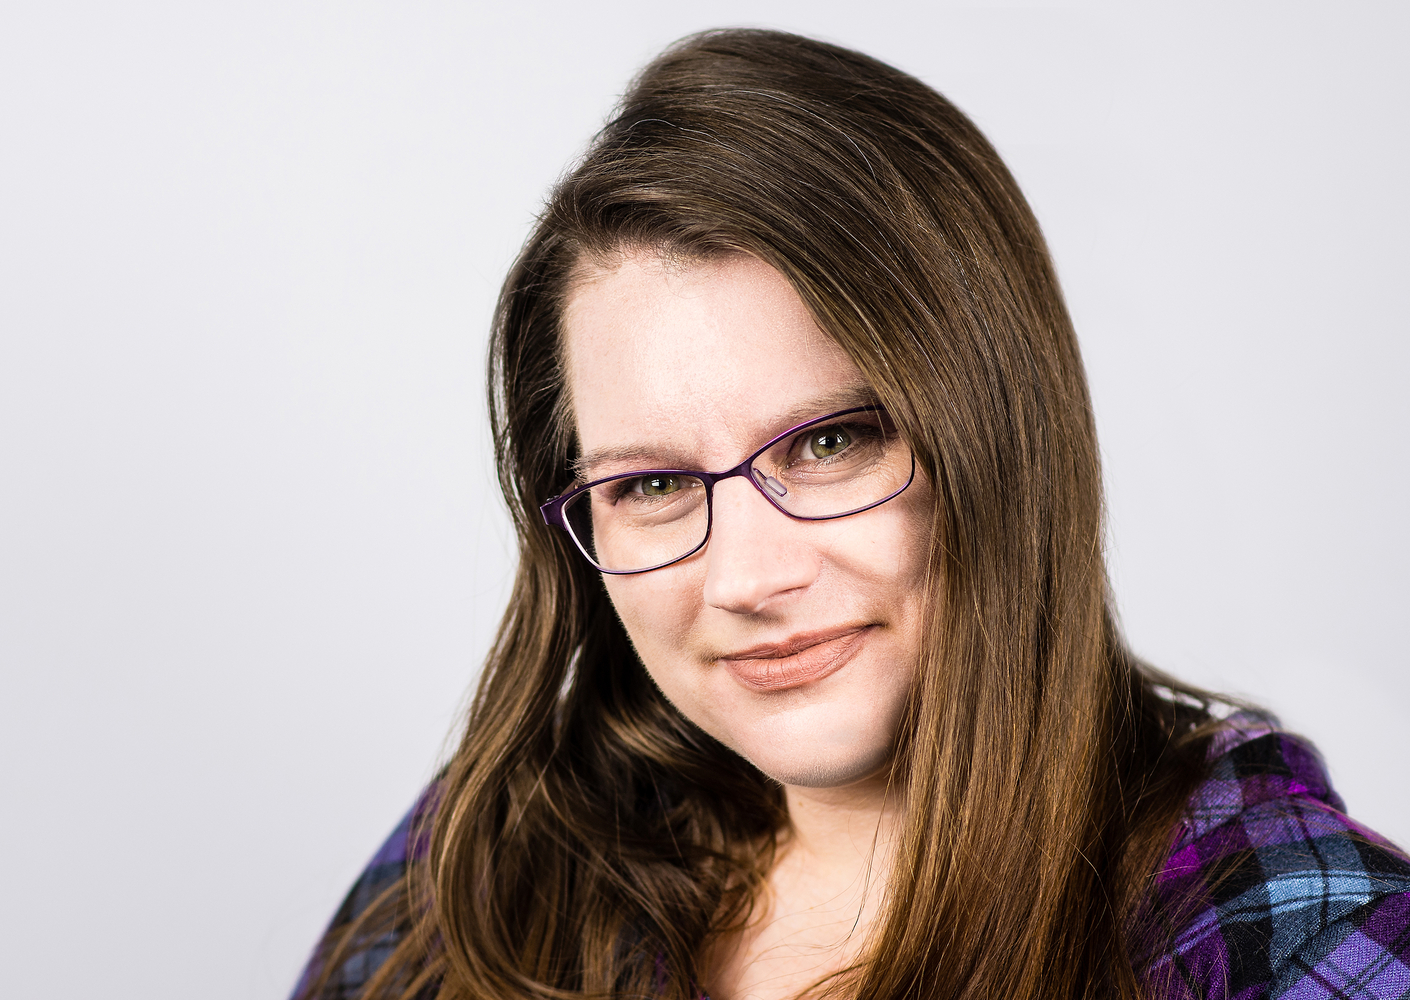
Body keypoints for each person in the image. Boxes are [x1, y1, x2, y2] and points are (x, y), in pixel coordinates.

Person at [291, 29, 1410, 1000]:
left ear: (1003, 437)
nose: (746, 579)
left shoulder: (1292, 932)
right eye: (653, 486)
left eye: (829, 442)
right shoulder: (490, 864)